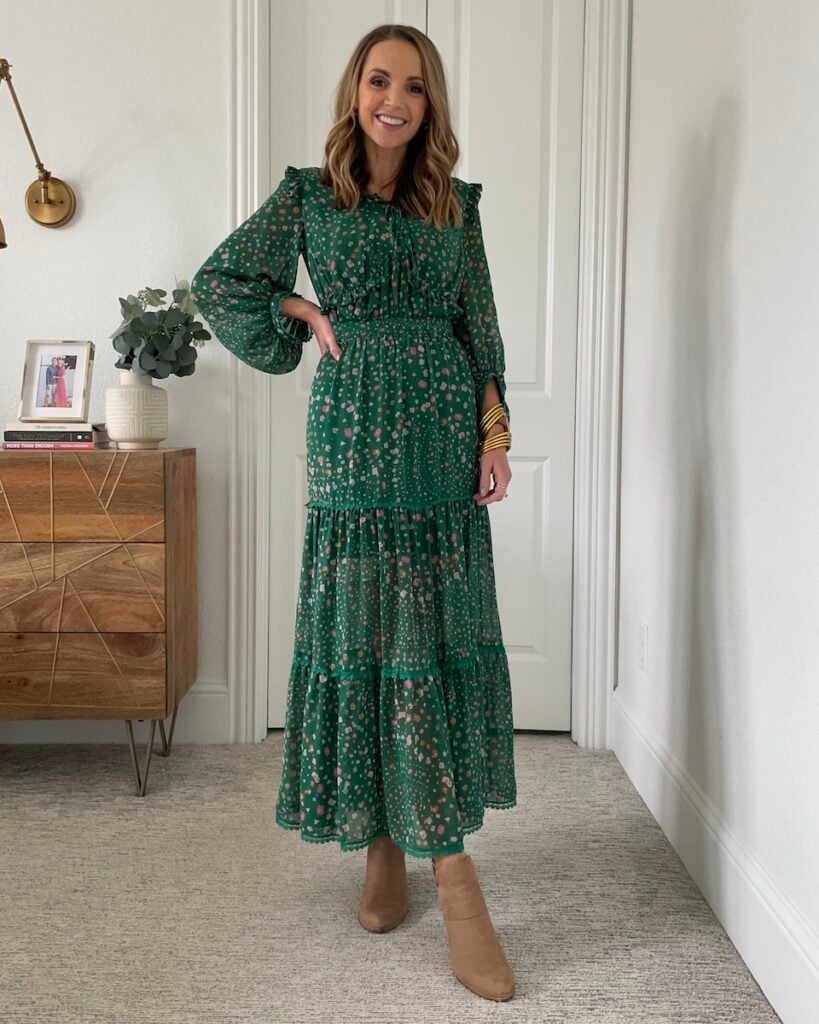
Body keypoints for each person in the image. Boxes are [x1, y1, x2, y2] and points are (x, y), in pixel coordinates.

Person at [191, 23, 517, 1002]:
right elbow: (221, 281)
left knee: (426, 637)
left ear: (429, 104)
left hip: (439, 436)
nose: (394, 100)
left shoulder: (455, 203)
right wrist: (299, 311)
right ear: (355, 90)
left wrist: (493, 435)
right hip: (351, 438)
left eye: (414, 87)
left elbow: (479, 324)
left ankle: (446, 866)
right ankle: (385, 842)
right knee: (368, 635)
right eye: (380, 81)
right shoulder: (307, 195)